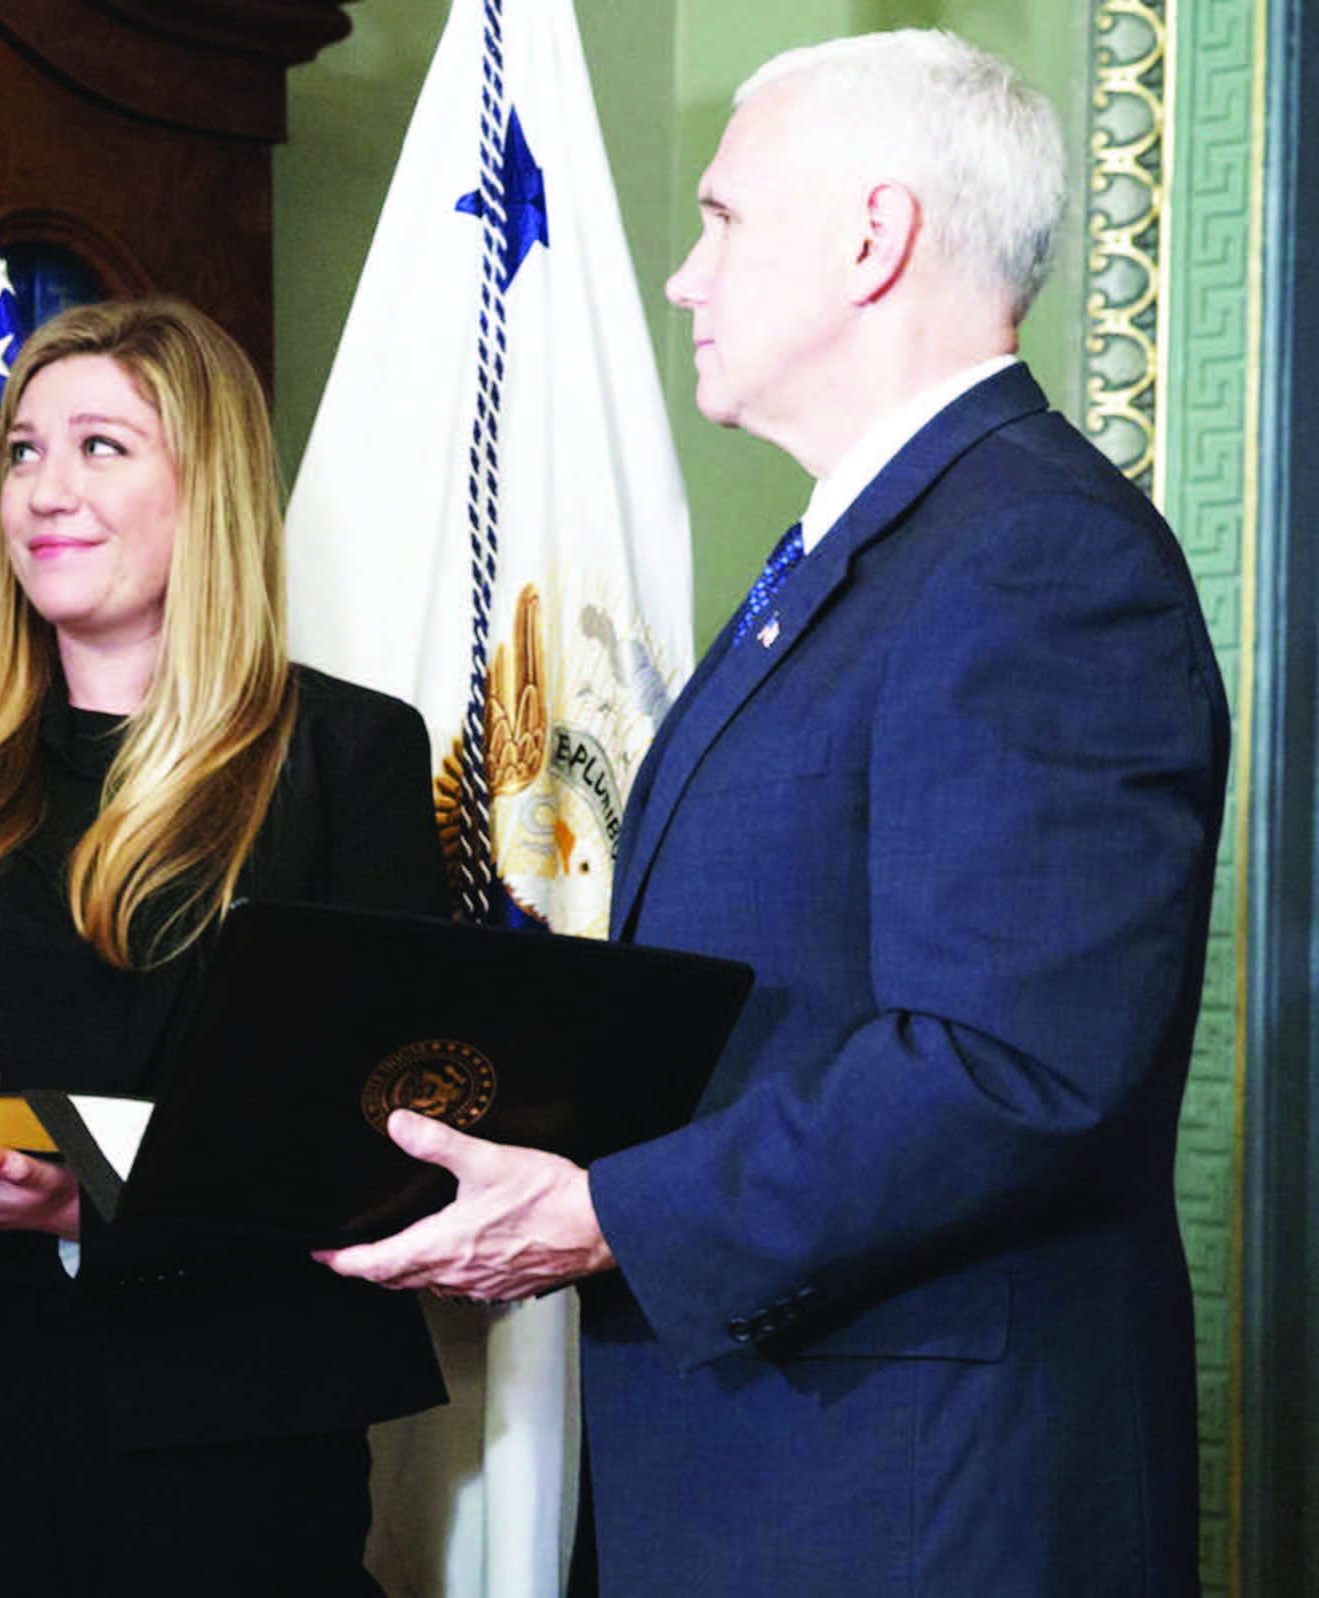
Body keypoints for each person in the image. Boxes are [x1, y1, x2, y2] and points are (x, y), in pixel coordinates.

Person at [321, 31, 1225, 1595]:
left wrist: (604, 1212)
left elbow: (1009, 1069)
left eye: (726, 218)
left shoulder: (1036, 560)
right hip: (770, 1479)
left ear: (873, 238)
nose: (684, 275)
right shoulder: (870, 550)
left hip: (924, 1507)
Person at [0, 298, 446, 1597]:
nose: (45, 490)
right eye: (22, 451)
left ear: (208, 484)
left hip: (223, 1450)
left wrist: (93, 1202)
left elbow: (388, 1137)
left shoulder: (345, 759)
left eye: (102, 447)